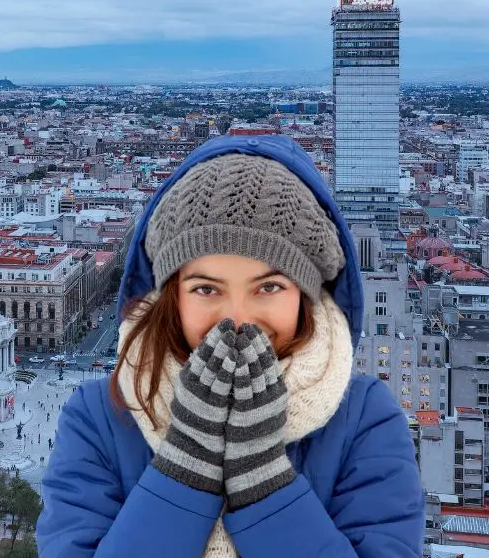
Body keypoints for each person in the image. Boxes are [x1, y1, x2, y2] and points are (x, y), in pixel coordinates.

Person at [38, 135, 423, 557]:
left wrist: (263, 483)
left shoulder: (365, 419)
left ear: (307, 294)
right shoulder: (100, 418)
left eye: (269, 287)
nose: (237, 319)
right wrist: (185, 469)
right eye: (206, 289)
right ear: (171, 296)